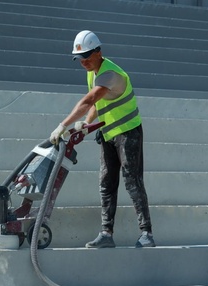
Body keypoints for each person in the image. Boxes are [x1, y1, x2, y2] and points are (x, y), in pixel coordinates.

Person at [49, 30, 155, 248]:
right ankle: (106, 234)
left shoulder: (110, 74)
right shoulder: (93, 72)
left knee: (132, 181)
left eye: (87, 56)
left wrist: (63, 125)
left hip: (128, 133)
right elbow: (98, 104)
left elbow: (89, 100)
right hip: (108, 133)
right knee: (106, 183)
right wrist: (88, 125)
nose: (84, 61)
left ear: (99, 52)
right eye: (80, 58)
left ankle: (147, 234)